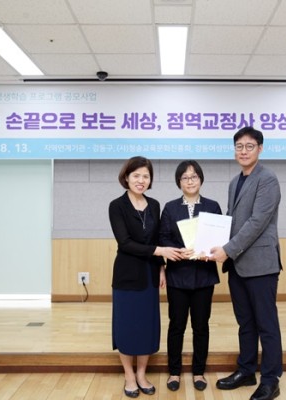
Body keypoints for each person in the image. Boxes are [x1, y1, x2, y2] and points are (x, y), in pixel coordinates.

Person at [210, 127, 283, 400]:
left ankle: (271, 379)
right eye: (239, 146)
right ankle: (246, 370)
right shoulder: (234, 182)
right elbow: (232, 221)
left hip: (261, 264)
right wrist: (211, 243)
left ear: (260, 149)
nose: (243, 151)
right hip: (238, 264)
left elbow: (257, 222)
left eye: (249, 146)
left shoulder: (268, 179)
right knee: (246, 322)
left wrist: (227, 250)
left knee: (267, 324)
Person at [108, 156, 183, 398]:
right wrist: (160, 251)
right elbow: (125, 243)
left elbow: (156, 239)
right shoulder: (116, 206)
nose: (141, 180)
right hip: (127, 276)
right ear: (126, 177)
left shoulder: (154, 205)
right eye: (136, 175)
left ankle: (141, 373)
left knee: (146, 327)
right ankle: (129, 375)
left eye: (146, 176)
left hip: (150, 275)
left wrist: (161, 267)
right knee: (126, 327)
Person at [159, 160, 222, 392]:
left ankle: (198, 371)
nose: (190, 181)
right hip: (178, 275)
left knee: (201, 326)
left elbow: (220, 239)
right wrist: (178, 250)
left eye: (194, 176)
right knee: (176, 325)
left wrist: (210, 251)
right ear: (179, 182)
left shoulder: (213, 206)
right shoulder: (170, 207)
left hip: (204, 276)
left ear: (201, 179)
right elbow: (163, 237)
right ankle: (174, 372)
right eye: (185, 177)